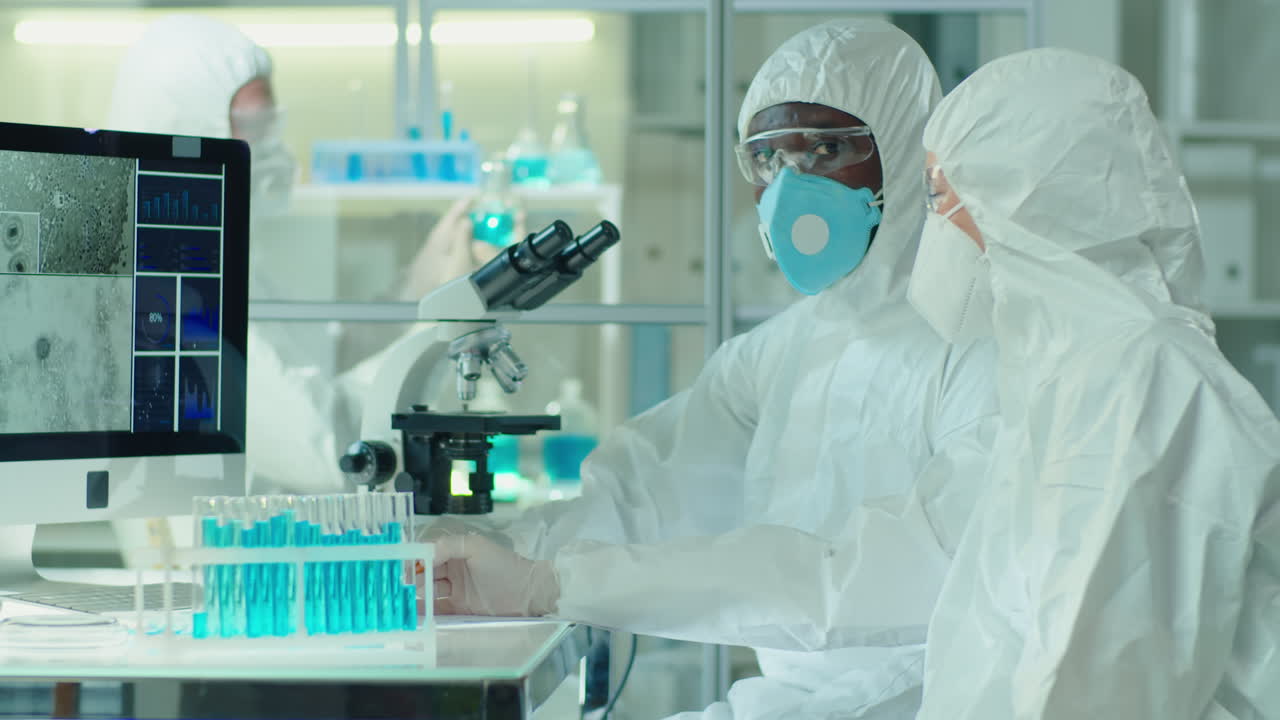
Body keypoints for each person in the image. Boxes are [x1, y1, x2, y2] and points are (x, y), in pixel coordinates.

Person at [430, 19, 1000, 719]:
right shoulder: (776, 354)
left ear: (907, 152)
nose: (792, 185)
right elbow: (647, 499)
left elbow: (894, 574)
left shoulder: (981, 339)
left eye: (826, 148)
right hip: (788, 703)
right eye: (768, 158)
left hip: (935, 699)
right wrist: (485, 554)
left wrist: (549, 584)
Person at [906, 49, 1280, 719]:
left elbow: (1095, 687)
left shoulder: (1141, 382)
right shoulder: (1064, 379)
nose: (933, 227)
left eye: (940, 195)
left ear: (1022, 203)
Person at [106, 15, 491, 493]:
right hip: (215, 562)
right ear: (184, 131)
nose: (274, 150)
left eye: (272, 125)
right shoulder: (170, 291)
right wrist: (442, 332)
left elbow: (321, 356)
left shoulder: (211, 260)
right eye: (254, 127)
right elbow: (336, 453)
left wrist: (419, 283)